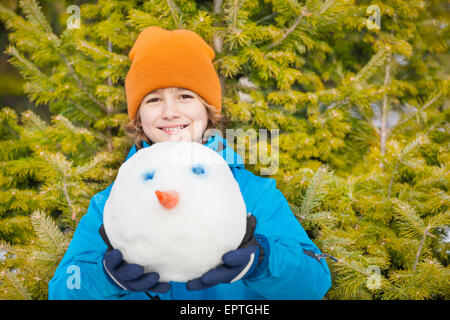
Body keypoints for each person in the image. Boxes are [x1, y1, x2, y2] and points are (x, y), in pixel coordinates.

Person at [48, 26, 332, 300]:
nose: (170, 112)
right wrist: (103, 277)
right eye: (154, 99)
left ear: (207, 109)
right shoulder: (112, 201)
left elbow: (314, 282)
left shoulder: (252, 194)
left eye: (185, 96)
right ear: (138, 116)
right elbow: (63, 291)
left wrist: (263, 260)